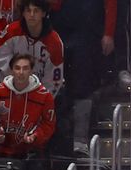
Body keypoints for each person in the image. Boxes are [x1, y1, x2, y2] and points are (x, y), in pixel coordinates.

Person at [49, 0, 116, 155]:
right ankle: (55, 140)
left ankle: (80, 140)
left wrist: (109, 33)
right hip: (60, 30)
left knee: (83, 86)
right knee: (57, 85)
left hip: (88, 32)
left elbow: (111, 4)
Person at [0, 0, 65, 97]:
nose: (31, 15)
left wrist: (40, 100)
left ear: (43, 13)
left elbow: (54, 81)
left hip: (39, 98)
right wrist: (16, 87)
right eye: (28, 10)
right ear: (23, 13)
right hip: (11, 92)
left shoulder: (54, 42)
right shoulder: (11, 31)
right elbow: (2, 63)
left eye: (36, 11)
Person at [0, 53, 55, 158]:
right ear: (11, 71)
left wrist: (35, 136)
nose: (21, 73)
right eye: (17, 68)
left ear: (31, 71)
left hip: (31, 153)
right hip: (1, 151)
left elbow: (48, 124)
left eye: (25, 68)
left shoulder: (45, 96)